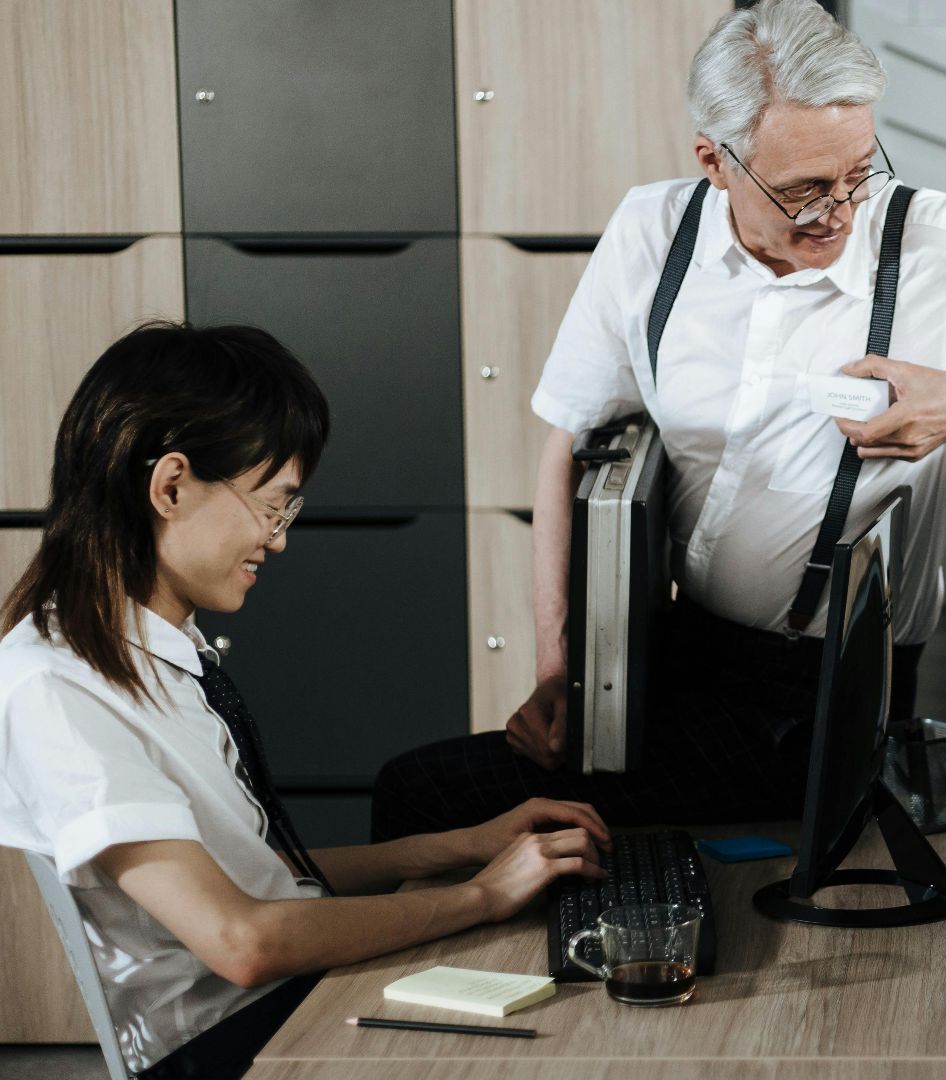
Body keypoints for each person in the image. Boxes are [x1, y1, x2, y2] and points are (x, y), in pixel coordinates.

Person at [370, 0, 946, 837]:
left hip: (824, 698)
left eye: (857, 172)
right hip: (674, 651)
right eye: (806, 189)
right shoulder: (649, 234)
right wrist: (560, 674)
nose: (839, 211)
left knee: (426, 795)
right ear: (715, 160)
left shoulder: (935, 245)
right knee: (462, 808)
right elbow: (568, 442)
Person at [0, 322, 610, 1080]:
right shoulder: (57, 686)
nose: (279, 541)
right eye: (272, 506)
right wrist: (484, 895)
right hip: (230, 1051)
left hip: (282, 1009)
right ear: (170, 485)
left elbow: (258, 875)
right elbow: (243, 940)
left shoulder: (152, 647)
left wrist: (465, 847)